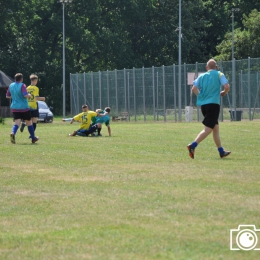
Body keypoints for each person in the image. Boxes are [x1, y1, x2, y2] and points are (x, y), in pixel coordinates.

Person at [187, 59, 231, 159]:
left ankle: (221, 151)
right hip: (213, 105)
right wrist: (224, 92)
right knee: (208, 129)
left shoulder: (202, 76)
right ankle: (192, 146)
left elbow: (194, 89)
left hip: (204, 105)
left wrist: (200, 96)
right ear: (216, 67)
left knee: (215, 129)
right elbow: (227, 86)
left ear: (207, 68)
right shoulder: (219, 74)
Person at [6, 73, 39, 144]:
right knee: (29, 122)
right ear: (21, 79)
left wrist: (15, 97)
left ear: (15, 79)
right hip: (24, 107)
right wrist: (29, 95)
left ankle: (13, 133)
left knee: (17, 122)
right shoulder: (23, 85)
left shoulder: (11, 85)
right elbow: (25, 95)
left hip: (15, 107)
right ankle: (33, 138)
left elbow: (7, 96)